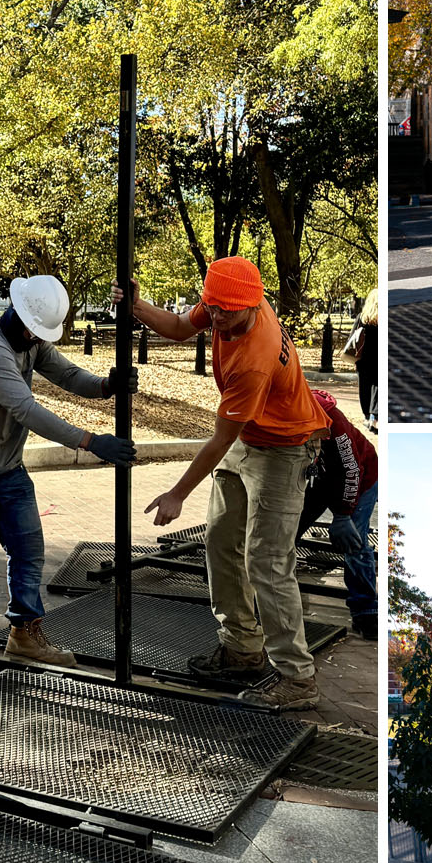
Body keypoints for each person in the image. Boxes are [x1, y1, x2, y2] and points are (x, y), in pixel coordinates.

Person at [116, 257, 329, 710]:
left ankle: (298, 678)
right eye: (212, 309)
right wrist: (136, 306)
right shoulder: (224, 299)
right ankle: (242, 649)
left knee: (266, 562)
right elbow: (176, 326)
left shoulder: (254, 357)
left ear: (253, 305)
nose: (216, 319)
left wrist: (176, 493)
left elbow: (218, 440)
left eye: (226, 312)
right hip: (251, 435)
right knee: (219, 540)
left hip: (286, 447)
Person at [0, 274, 134, 666]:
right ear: (18, 318)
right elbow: (26, 409)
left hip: (8, 468)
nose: (38, 339)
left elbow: (68, 375)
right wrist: (89, 441)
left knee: (28, 550)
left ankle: (24, 633)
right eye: (35, 332)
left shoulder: (29, 342)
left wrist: (106, 386)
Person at [300, 388, 377, 640]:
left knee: (355, 542)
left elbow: (352, 468)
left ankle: (366, 610)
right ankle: (280, 598)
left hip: (362, 477)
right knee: (287, 530)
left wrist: (343, 514)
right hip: (319, 479)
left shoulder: (331, 418)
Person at [343, 288, 379, 429]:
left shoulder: (362, 317)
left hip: (363, 358)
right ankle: (375, 417)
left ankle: (366, 417)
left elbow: (353, 337)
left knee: (364, 387)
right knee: (378, 387)